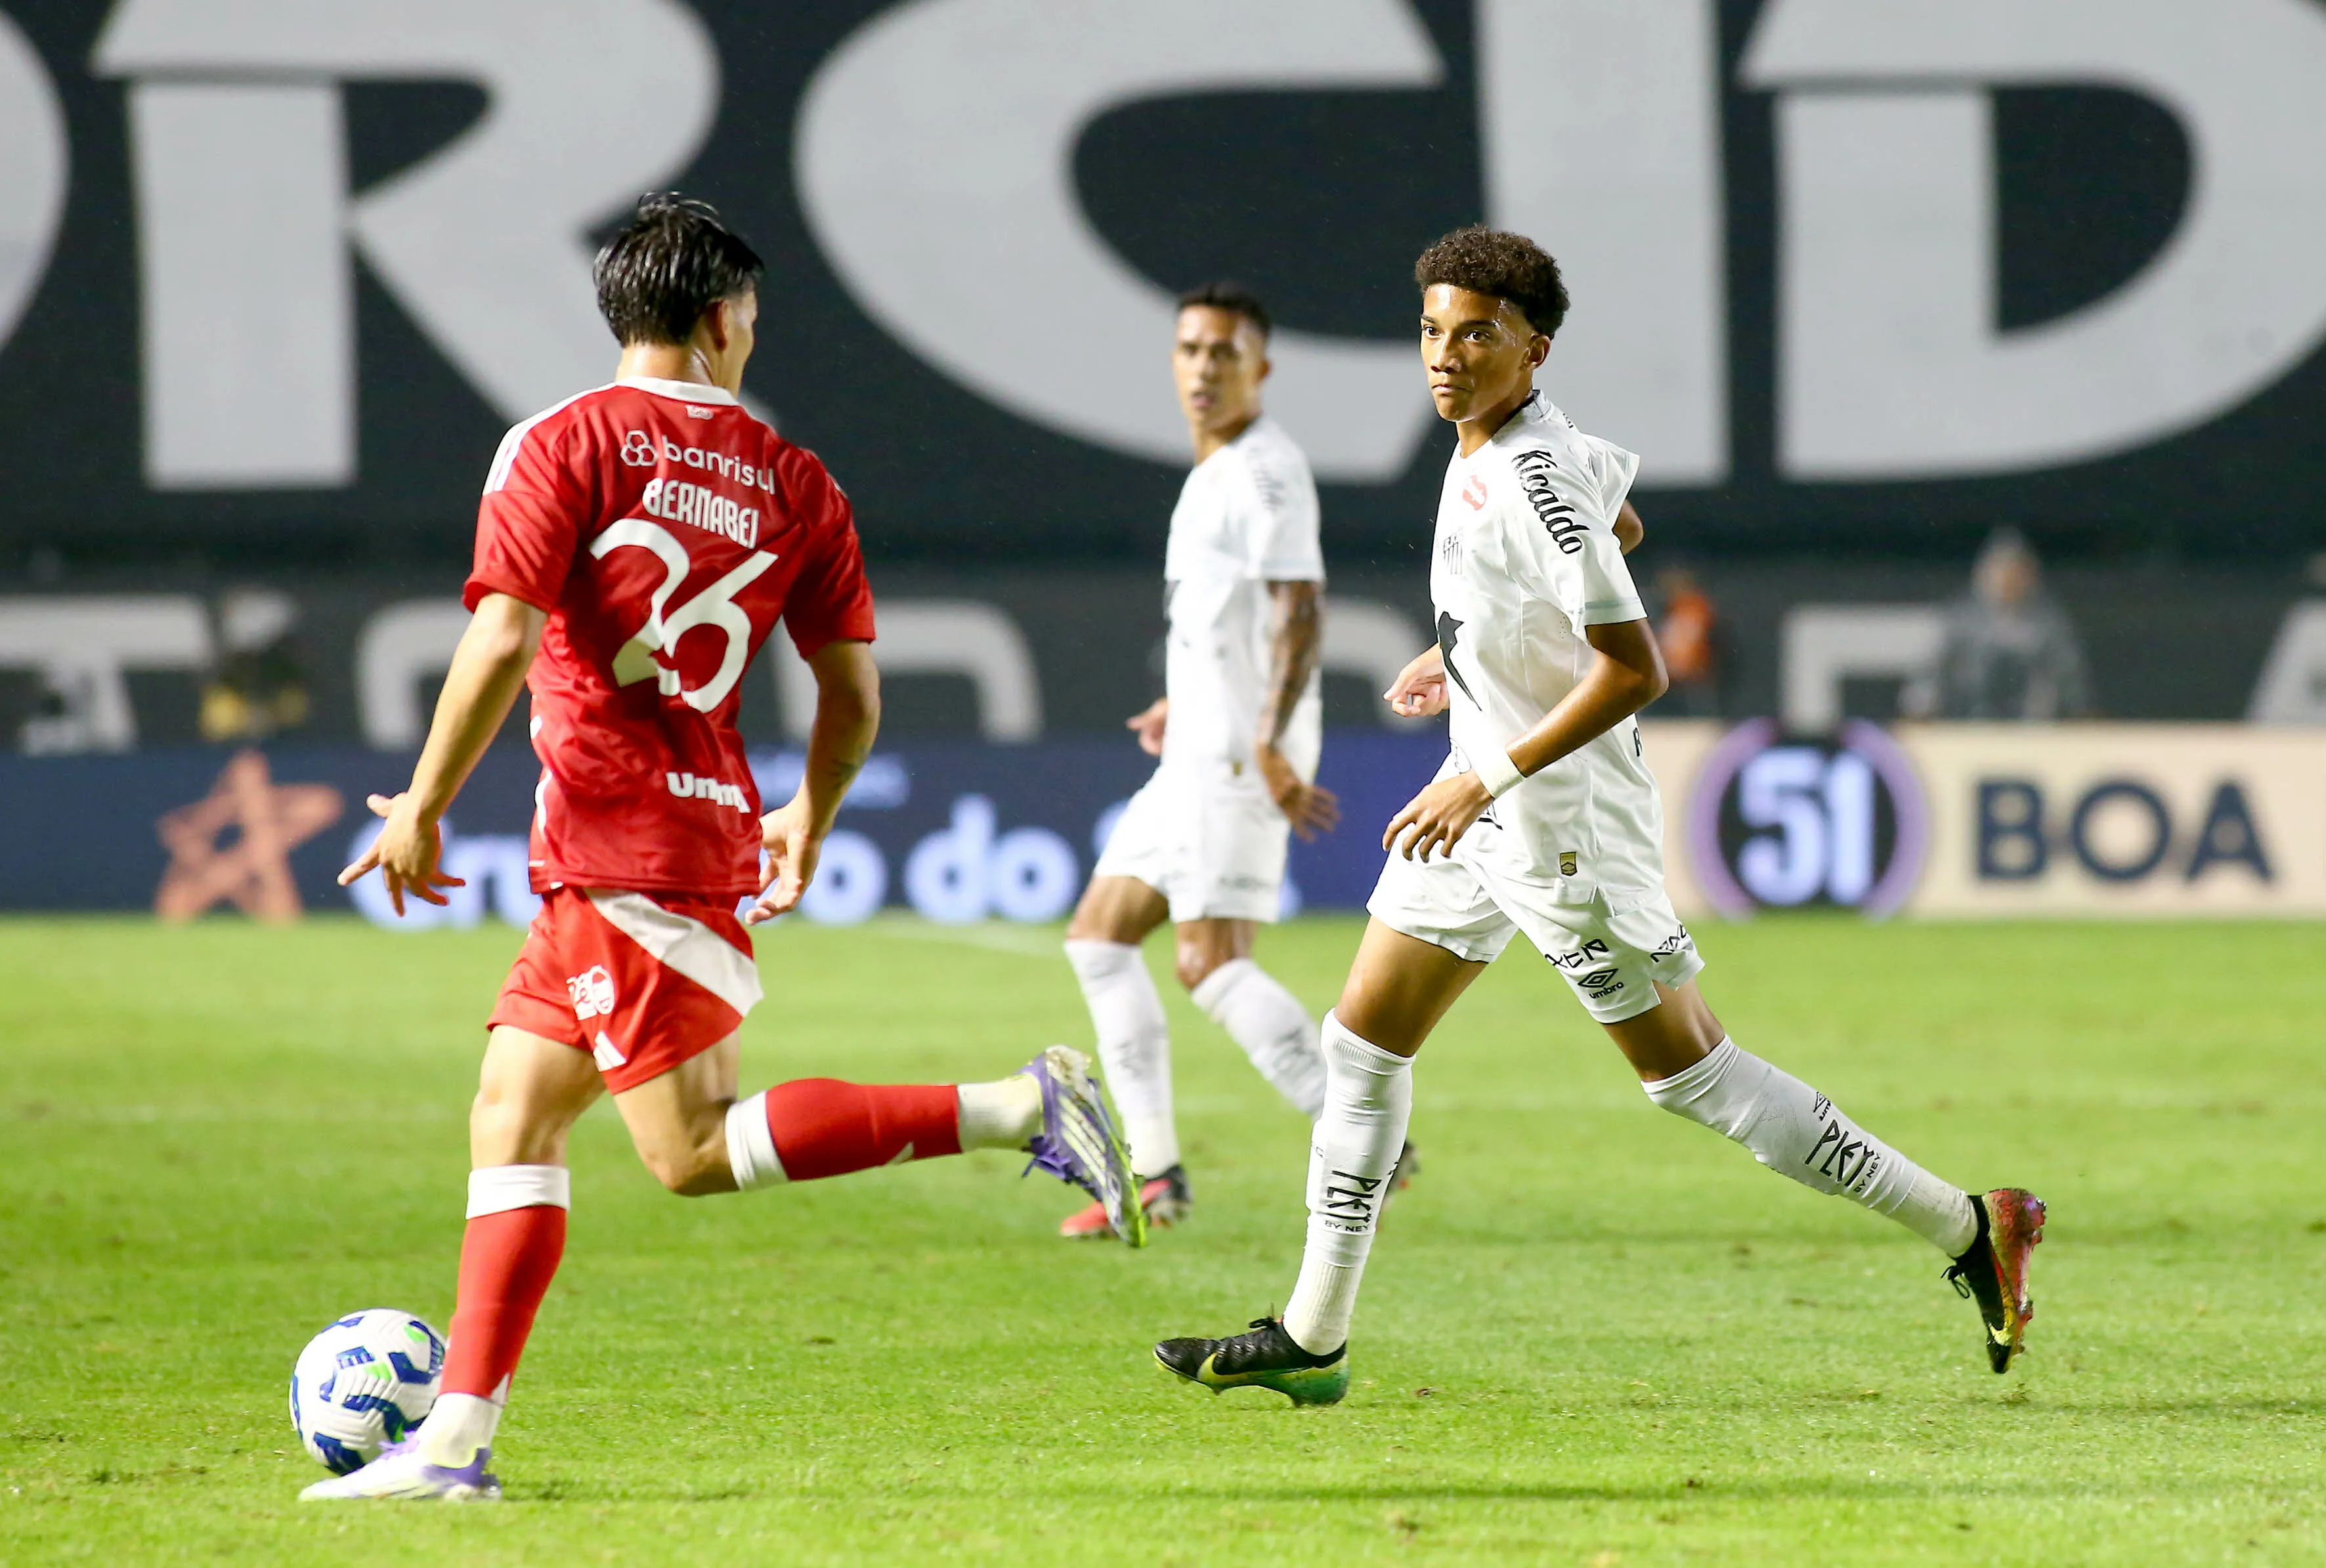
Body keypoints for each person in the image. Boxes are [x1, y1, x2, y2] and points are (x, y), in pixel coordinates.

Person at [308, 195, 1140, 1503]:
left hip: (615, 839)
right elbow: (853, 696)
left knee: (688, 1153)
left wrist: (419, 798)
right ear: (717, 318)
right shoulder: (797, 480)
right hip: (677, 829)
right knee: (511, 1115)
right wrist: (812, 807)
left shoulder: (559, 442)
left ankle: (1015, 1106)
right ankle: (455, 1446)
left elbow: (505, 633)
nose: (754, 334)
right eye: (751, 314)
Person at [1153, 227, 2044, 1405]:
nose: (1446, 353)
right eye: (1432, 329)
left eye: (1476, 332)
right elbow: (1612, 530)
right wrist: (1466, 648)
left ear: (1533, 346)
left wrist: (1484, 767)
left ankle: (1969, 1223)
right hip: (1489, 805)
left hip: (1555, 820)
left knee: (1693, 1078)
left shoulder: (1526, 471)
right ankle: (1314, 1336)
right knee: (1359, 1044)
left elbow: (1633, 667)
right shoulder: (1514, 447)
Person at [1054, 284, 1352, 1240]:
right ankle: (1152, 1176)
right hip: (1198, 746)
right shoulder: (1214, 471)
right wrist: (1184, 702)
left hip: (1234, 759)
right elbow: (1226, 623)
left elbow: (1298, 611)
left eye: (1224, 351)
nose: (1203, 366)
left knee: (1208, 960)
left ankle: (1360, 1145)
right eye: (1189, 348)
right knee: (1099, 939)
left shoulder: (1267, 473)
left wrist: (1263, 742)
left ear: (1259, 368)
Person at [1905, 528, 2091, 720]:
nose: (2006, 580)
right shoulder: (1961, 620)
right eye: (2000, 572)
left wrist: (2079, 711)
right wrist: (1922, 704)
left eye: (2015, 573)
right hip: (1971, 719)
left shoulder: (2047, 623)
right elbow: (1931, 672)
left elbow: (2069, 674)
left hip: (2032, 724)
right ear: (1983, 575)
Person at [1650, 564, 1719, 718]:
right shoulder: (1669, 608)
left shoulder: (1695, 606)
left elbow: (1687, 644)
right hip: (1668, 672)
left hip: (1694, 672)